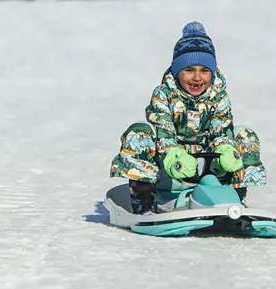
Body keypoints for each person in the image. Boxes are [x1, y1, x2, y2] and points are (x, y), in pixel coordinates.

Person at [110, 21, 267, 215]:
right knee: (139, 132)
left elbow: (221, 128)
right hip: (171, 170)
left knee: (244, 135)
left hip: (208, 169)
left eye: (204, 70)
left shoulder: (218, 97)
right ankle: (144, 203)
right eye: (189, 70)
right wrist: (172, 154)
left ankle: (235, 198)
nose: (197, 77)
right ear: (177, 71)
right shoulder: (164, 95)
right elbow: (163, 129)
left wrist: (226, 149)